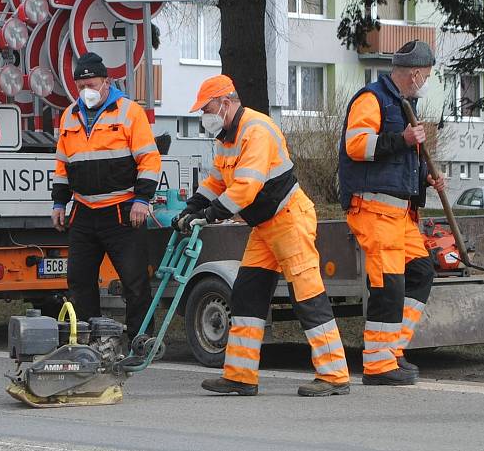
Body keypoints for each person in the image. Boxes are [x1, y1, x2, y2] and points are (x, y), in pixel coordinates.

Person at [175, 74, 350, 397]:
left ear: (226, 103)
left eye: (207, 109)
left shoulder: (256, 130)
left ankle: (335, 374)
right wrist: (191, 207)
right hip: (265, 226)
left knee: (308, 297)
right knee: (247, 294)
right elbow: (217, 182)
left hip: (289, 219)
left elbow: (245, 188)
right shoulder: (226, 138)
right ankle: (241, 375)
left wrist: (209, 214)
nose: (204, 117)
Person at [338, 40, 446, 386]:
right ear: (414, 73)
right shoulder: (372, 99)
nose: (426, 81)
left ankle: (391, 350)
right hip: (374, 208)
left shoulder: (405, 103)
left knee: (420, 272)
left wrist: (425, 179)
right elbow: (357, 146)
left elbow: (399, 166)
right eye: (426, 75)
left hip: (400, 213)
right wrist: (402, 139)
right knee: (389, 284)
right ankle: (378, 365)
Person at [51, 52, 161, 339]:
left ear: (106, 82)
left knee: (134, 281)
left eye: (92, 82)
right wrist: (59, 202)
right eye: (81, 84)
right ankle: (89, 340)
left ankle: (141, 340)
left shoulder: (129, 112)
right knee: (79, 280)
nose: (86, 89)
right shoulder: (69, 115)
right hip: (84, 212)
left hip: (121, 210)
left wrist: (142, 200)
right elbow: (63, 164)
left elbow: (149, 160)